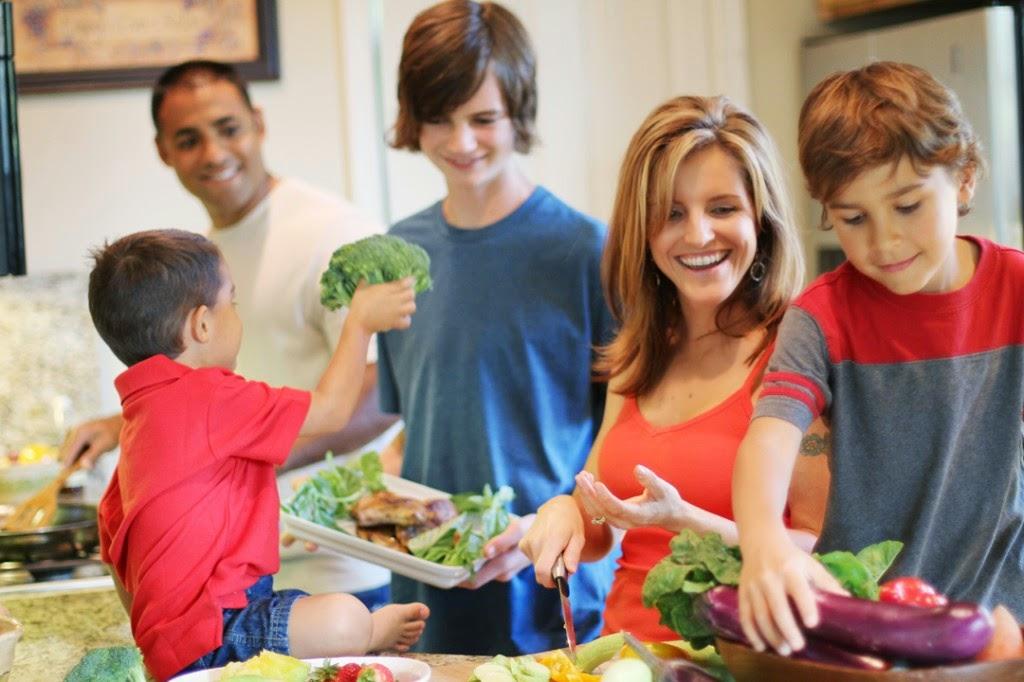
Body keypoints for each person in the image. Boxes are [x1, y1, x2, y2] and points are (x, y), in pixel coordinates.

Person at [61, 60, 396, 605]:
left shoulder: (332, 233)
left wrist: (235, 451)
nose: (214, 153)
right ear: (163, 150)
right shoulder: (203, 256)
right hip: (233, 583)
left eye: (228, 128)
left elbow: (386, 390)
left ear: (258, 123)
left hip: (338, 572)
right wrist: (128, 425)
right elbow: (216, 391)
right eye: (189, 139)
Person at [732, 61, 1024, 657]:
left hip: (1003, 626)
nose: (884, 241)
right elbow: (769, 438)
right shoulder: (821, 317)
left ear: (964, 179)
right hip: (865, 634)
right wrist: (763, 543)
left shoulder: (1016, 290)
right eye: (854, 218)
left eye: (908, 206)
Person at [518, 95, 830, 640]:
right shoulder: (640, 353)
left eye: (723, 208)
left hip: (745, 660)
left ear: (762, 220)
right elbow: (600, 519)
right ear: (643, 232)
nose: (698, 235)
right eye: (672, 213)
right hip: (624, 659)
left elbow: (824, 552)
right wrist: (563, 512)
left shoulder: (796, 354)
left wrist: (686, 519)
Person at [376, 0, 616, 655]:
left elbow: (626, 439)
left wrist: (546, 522)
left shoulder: (588, 252)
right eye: (439, 119)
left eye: (483, 119)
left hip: (553, 592)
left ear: (519, 111)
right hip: (425, 601)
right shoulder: (400, 254)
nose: (461, 142)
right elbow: (414, 430)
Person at [89, 229, 426, 680]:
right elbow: (332, 410)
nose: (237, 315)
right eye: (232, 301)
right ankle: (371, 629)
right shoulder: (209, 395)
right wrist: (360, 323)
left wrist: (161, 655)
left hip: (180, 652)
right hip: (220, 634)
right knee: (344, 616)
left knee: (308, 612)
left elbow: (113, 549)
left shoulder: (139, 425)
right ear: (202, 325)